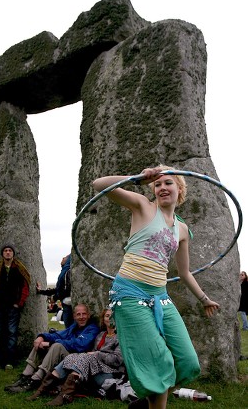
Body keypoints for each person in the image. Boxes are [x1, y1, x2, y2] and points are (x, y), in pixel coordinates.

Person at [92, 165, 220, 409]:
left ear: (179, 188)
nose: (162, 187)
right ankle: (154, 400)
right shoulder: (142, 206)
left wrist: (204, 298)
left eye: (168, 183)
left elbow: (183, 272)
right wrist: (138, 178)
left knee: (188, 361)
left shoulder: (182, 229)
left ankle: (147, 399)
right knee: (159, 363)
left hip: (159, 295)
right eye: (158, 184)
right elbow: (99, 184)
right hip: (129, 293)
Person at [26, 307, 127, 404]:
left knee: (85, 357)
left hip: (110, 372)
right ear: (103, 319)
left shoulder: (121, 337)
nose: (109, 318)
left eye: (112, 316)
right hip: (96, 367)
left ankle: (65, 395)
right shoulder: (101, 335)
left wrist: (97, 354)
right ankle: (42, 389)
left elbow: (117, 360)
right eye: (107, 316)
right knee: (72, 356)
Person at [4, 303, 99, 394]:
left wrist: (50, 343)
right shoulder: (74, 327)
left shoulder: (92, 328)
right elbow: (58, 335)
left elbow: (80, 345)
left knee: (57, 346)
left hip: (76, 361)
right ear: (74, 316)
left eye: (84, 314)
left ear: (88, 315)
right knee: (40, 343)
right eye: (78, 314)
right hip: (67, 358)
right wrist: (41, 337)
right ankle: (26, 375)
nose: (81, 317)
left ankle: (36, 379)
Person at [37, 254, 73, 328]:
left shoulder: (67, 271)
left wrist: (56, 297)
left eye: (65, 257)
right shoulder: (64, 271)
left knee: (70, 328)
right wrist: (41, 291)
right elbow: (58, 289)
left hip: (68, 304)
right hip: (66, 304)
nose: (62, 258)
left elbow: (66, 289)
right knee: (69, 328)